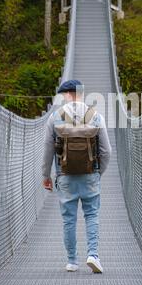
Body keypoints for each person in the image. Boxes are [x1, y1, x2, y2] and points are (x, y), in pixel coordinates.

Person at [42, 79, 112, 273]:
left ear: (66, 94)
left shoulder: (55, 117)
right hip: (90, 174)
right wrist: (98, 172)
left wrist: (46, 175)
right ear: (81, 93)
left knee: (69, 219)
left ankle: (72, 261)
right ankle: (93, 255)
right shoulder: (95, 116)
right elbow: (106, 151)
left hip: (65, 176)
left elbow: (48, 149)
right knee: (92, 215)